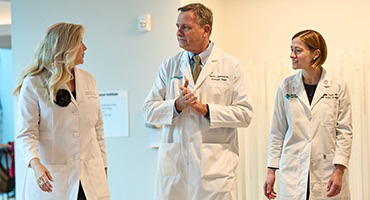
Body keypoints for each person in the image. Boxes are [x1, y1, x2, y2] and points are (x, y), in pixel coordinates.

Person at [142, 3, 253, 200]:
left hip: (215, 171)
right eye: (177, 26)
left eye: (186, 27)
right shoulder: (170, 65)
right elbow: (148, 110)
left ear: (206, 29)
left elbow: (244, 114)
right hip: (175, 169)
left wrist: (206, 109)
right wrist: (177, 105)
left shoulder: (232, 66)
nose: (178, 32)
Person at [14, 22, 110, 200]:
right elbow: (26, 134)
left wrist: (103, 167)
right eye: (80, 42)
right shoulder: (34, 83)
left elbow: (97, 129)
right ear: (66, 47)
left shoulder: (89, 80)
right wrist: (36, 165)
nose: (85, 48)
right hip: (53, 179)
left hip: (90, 177)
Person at [263, 30, 352, 200]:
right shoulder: (286, 87)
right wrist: (271, 171)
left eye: (297, 50)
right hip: (293, 171)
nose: (291, 55)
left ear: (315, 54)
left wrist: (339, 170)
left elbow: (345, 133)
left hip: (328, 170)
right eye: (291, 49)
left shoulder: (338, 87)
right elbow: (277, 132)